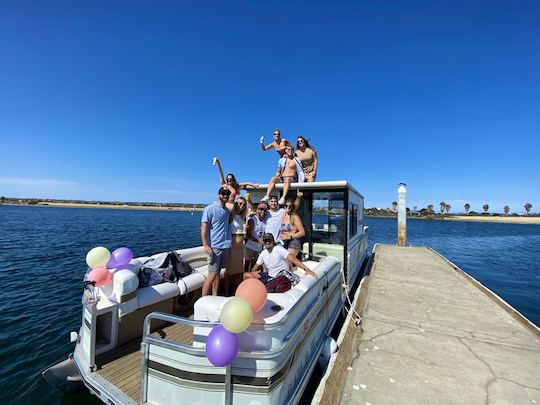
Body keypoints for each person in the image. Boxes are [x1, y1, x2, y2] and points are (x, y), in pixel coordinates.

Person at [244, 233, 317, 286]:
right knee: (246, 275)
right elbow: (255, 268)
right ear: (263, 242)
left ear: (273, 241)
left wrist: (306, 269)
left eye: (269, 240)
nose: (267, 242)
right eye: (265, 241)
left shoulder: (278, 249)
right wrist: (253, 272)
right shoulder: (263, 253)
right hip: (270, 277)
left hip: (280, 278)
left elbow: (293, 259)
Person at [201, 187, 232, 296]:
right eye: (223, 194)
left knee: (218, 273)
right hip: (215, 247)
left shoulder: (227, 211)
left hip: (225, 246)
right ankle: (202, 302)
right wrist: (205, 245)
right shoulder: (210, 209)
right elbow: (204, 226)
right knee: (212, 275)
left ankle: (215, 296)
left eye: (227, 194)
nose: (225, 196)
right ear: (218, 195)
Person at [225, 197, 248, 295]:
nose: (241, 206)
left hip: (241, 245)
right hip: (233, 244)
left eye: (243, 204)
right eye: (239, 203)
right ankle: (226, 292)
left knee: (239, 270)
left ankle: (237, 291)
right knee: (230, 270)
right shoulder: (231, 215)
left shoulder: (243, 217)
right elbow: (226, 204)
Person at [244, 202, 267, 272]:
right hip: (250, 246)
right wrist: (259, 241)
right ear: (256, 210)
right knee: (247, 265)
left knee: (256, 266)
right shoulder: (252, 220)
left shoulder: (265, 220)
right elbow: (248, 235)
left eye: (264, 210)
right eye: (260, 209)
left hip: (259, 248)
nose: (262, 211)